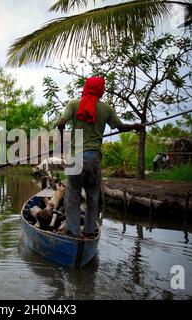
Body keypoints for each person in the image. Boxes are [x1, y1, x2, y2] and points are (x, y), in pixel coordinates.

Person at [57, 76, 142, 239]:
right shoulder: (106, 109)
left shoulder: (74, 104)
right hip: (94, 157)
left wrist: (62, 146)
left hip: (76, 157)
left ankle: (73, 233)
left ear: (86, 88)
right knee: (93, 196)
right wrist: (135, 126)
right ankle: (89, 231)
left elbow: (60, 124)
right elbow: (121, 127)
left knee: (72, 196)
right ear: (101, 90)